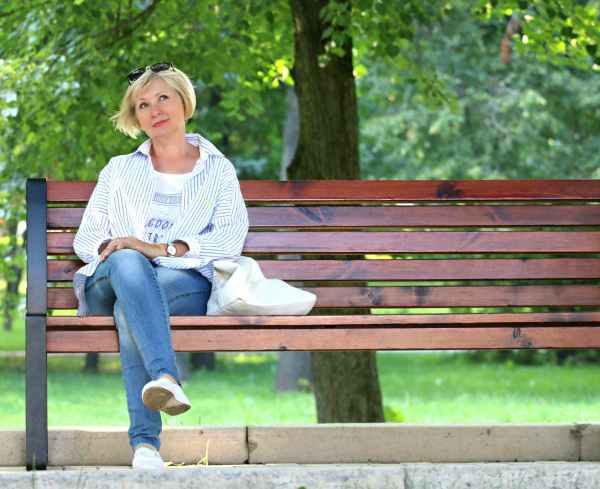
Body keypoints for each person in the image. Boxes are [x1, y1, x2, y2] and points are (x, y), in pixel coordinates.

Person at [72, 62, 249, 469]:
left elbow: (229, 237)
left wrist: (160, 248)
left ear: (185, 101)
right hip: (109, 280)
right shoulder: (119, 169)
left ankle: (146, 447)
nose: (154, 109)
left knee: (131, 306)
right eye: (143, 104)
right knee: (129, 264)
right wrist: (126, 249)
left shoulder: (217, 170)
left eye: (163, 98)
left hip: (181, 282)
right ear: (136, 117)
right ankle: (166, 379)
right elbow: (87, 238)